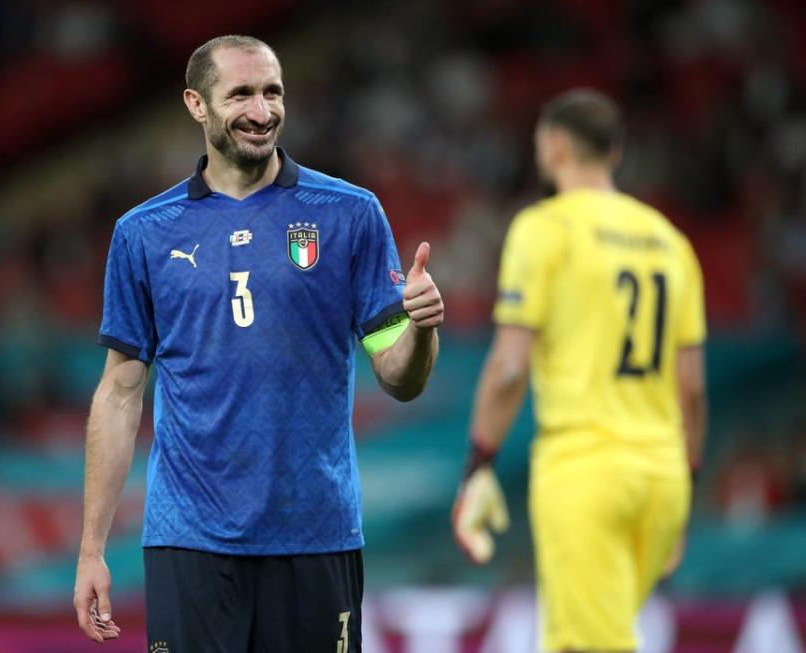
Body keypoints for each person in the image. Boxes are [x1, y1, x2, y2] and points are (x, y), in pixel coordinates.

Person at [73, 34, 444, 652]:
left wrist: (424, 330)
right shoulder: (143, 233)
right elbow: (118, 392)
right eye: (240, 94)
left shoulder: (349, 214)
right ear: (197, 104)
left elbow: (398, 377)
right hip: (188, 539)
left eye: (272, 92)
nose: (262, 110)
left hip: (314, 534)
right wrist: (91, 549)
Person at [452, 89, 707, 653]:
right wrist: (684, 486)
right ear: (614, 153)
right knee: (581, 639)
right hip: (663, 476)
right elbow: (691, 389)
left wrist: (480, 461)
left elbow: (509, 369)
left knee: (593, 645)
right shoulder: (672, 243)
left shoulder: (544, 229)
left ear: (556, 146)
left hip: (586, 470)